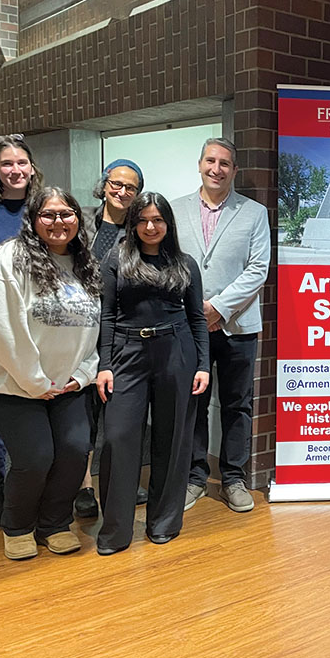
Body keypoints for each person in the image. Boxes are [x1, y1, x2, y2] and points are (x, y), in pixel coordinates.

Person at [0, 187, 101, 560]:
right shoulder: (8, 260)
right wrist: (34, 381)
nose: (58, 222)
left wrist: (84, 372)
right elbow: (0, 327)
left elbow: (93, 328)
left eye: (66, 214)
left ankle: (54, 523)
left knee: (75, 452)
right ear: (33, 219)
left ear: (78, 218)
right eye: (49, 214)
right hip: (12, 382)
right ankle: (17, 525)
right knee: (34, 457)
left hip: (69, 383)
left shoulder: (83, 263)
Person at [96, 192, 210, 554]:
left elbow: (196, 318)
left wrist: (204, 364)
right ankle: (115, 530)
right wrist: (104, 364)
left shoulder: (185, 263)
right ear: (133, 223)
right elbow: (107, 315)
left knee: (173, 439)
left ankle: (164, 522)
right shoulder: (116, 259)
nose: (150, 226)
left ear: (168, 224)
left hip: (177, 352)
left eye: (157, 220)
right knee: (119, 437)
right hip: (127, 353)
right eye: (143, 219)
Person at [172, 137, 270, 513]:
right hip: (187, 325)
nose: (217, 168)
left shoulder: (254, 212)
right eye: (211, 161)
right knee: (192, 404)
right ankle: (195, 477)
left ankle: (233, 478)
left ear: (234, 170)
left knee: (237, 405)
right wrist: (198, 311)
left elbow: (258, 268)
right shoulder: (176, 210)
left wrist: (219, 307)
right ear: (199, 164)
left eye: (225, 163)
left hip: (238, 326)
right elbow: (169, 263)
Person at [0, 134, 44, 527]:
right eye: (6, 164)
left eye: (21, 162)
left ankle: (41, 488)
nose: (15, 170)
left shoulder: (46, 208)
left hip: (43, 327)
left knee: (40, 411)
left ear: (32, 167)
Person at [76, 158, 147, 520]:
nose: (121, 192)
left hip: (120, 330)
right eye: (116, 184)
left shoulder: (140, 229)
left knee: (118, 412)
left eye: (130, 188)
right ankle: (85, 486)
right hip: (79, 328)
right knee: (84, 411)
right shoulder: (80, 221)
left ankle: (119, 480)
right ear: (104, 185)